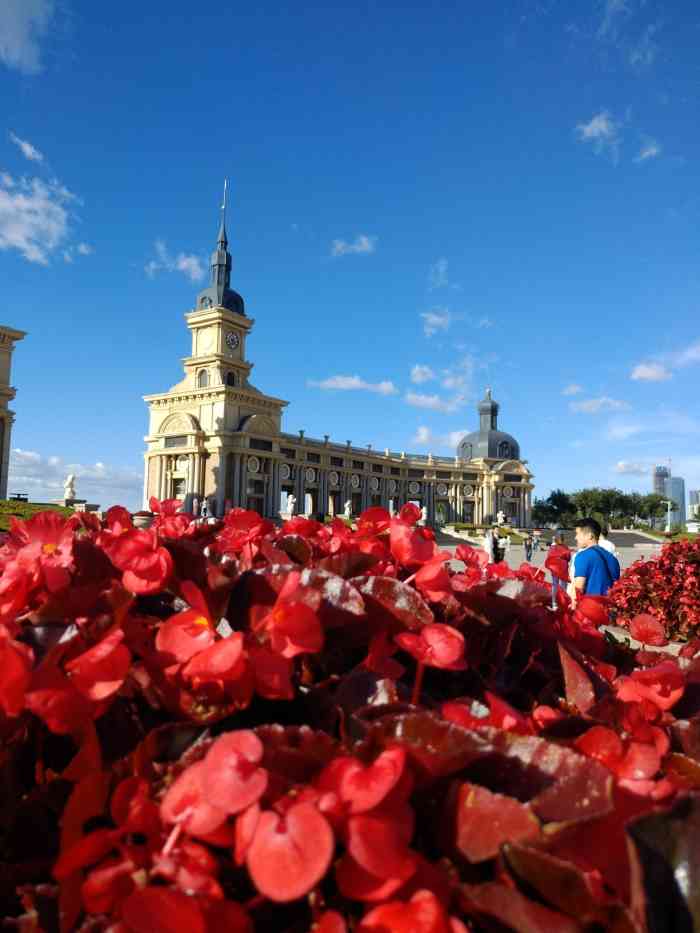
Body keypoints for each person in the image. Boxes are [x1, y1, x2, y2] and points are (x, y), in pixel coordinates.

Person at [571, 517, 620, 605]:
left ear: (590, 536)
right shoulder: (613, 559)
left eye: (577, 534)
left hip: (591, 611)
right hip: (610, 611)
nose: (575, 537)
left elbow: (578, 589)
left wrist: (573, 609)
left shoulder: (583, 556)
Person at [545, 534, 571, 610]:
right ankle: (562, 602)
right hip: (563, 568)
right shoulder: (565, 547)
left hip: (555, 568)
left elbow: (549, 556)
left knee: (555, 585)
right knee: (563, 586)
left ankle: (554, 603)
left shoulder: (552, 548)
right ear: (563, 540)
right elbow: (568, 557)